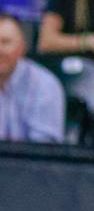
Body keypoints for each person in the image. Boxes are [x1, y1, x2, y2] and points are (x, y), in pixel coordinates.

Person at [0, 11, 67, 143]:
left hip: (28, 162)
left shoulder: (44, 85)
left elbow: (44, 151)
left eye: (5, 42)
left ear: (21, 48)